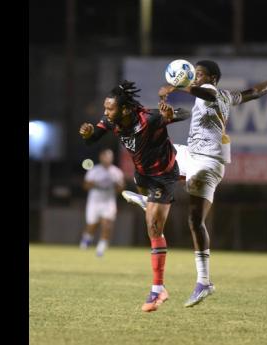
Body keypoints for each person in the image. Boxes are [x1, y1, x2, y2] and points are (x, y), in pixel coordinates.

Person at [123, 60, 267, 307]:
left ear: (212, 78)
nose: (196, 77)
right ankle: (152, 197)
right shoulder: (227, 95)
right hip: (192, 154)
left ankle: (203, 281)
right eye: (195, 73)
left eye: (200, 74)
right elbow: (254, 92)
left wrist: (178, 87)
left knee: (195, 219)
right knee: (160, 153)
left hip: (208, 163)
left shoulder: (210, 91)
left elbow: (203, 92)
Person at [79, 80, 191, 312]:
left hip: (164, 175)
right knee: (152, 219)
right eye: (105, 108)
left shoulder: (149, 118)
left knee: (153, 227)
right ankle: (146, 201)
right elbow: (92, 139)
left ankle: (158, 289)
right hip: (142, 177)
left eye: (110, 109)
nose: (106, 113)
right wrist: (88, 134)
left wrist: (172, 113)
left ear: (126, 109)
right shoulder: (112, 121)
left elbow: (185, 113)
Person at [79, 148, 125, 257]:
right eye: (105, 156)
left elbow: (121, 189)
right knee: (92, 225)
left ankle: (101, 249)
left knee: (107, 224)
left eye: (109, 157)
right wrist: (94, 184)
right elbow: (85, 186)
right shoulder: (94, 170)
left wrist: (118, 185)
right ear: (101, 157)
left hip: (108, 202)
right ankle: (86, 240)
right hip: (94, 202)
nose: (107, 159)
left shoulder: (116, 172)